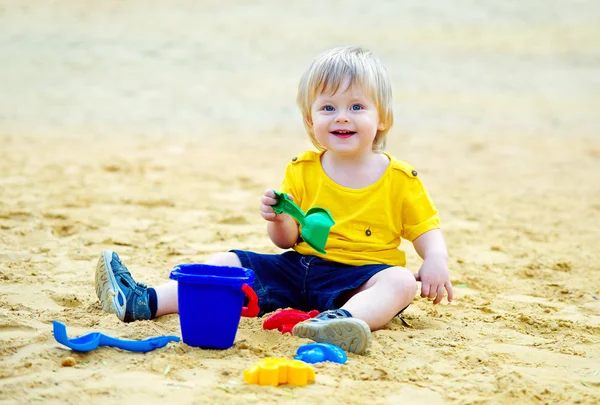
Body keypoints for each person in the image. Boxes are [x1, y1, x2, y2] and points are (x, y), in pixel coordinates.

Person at [95, 46, 453, 355]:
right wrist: (277, 219)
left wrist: (435, 259)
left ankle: (341, 322)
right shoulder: (302, 169)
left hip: (360, 280)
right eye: (328, 108)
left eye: (357, 106)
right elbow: (287, 240)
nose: (342, 116)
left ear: (383, 118)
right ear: (310, 121)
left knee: (401, 283)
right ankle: (146, 301)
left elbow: (426, 229)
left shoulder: (400, 179)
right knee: (226, 261)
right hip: (299, 269)